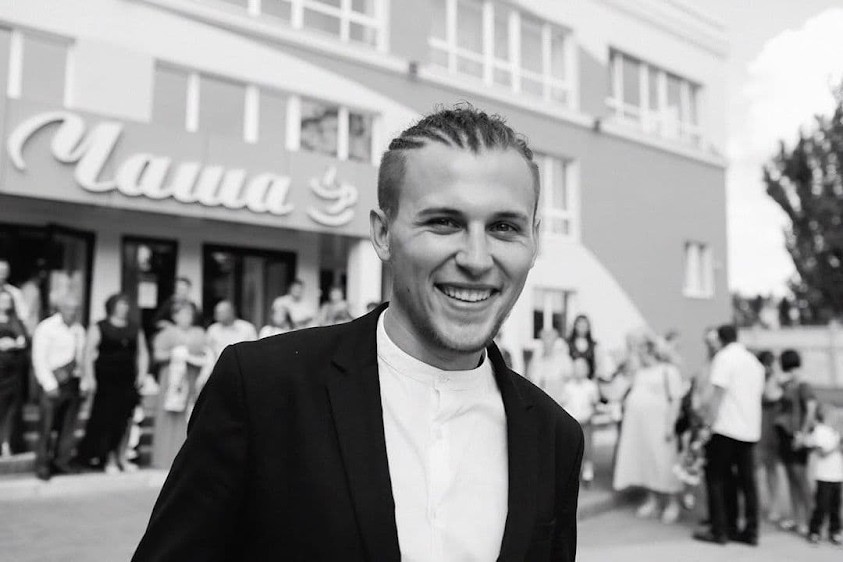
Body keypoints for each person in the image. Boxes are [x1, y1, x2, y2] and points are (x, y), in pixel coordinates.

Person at [133, 106, 584, 561]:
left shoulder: (555, 437)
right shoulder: (263, 387)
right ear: (383, 234)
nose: (476, 258)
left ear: (534, 241)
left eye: (504, 227)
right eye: (444, 222)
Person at [693, 324, 765, 546]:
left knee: (717, 479)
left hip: (725, 428)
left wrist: (707, 425)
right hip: (749, 429)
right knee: (747, 482)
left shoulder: (724, 358)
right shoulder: (753, 361)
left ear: (721, 339)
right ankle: (750, 530)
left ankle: (720, 529)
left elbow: (718, 394)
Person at [613, 330, 684, 524]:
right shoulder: (640, 372)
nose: (641, 354)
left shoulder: (668, 371)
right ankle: (652, 499)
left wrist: (670, 425)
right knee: (647, 461)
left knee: (664, 462)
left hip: (660, 426)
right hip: (640, 427)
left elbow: (676, 399)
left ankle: (672, 503)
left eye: (643, 350)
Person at [76, 294, 149, 473]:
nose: (124, 308)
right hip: (106, 380)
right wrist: (90, 377)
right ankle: (107, 457)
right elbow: (88, 353)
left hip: (127, 379)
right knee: (106, 419)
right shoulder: (100, 326)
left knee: (125, 420)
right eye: (120, 304)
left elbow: (142, 352)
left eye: (126, 304)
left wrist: (142, 374)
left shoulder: (134, 328)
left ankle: (122, 455)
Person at [31, 294, 87, 480]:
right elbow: (39, 358)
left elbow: (81, 359)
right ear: (60, 308)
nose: (72, 312)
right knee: (46, 427)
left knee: (68, 427)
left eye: (75, 309)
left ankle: (62, 461)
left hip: (73, 382)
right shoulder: (47, 327)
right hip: (53, 381)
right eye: (69, 308)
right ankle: (42, 464)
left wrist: (84, 382)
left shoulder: (79, 329)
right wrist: (48, 383)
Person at [150, 301, 210, 469]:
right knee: (169, 414)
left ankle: (189, 457)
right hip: (172, 378)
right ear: (175, 316)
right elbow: (157, 355)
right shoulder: (166, 333)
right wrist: (176, 354)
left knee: (191, 414)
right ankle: (165, 457)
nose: (186, 317)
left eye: (189, 314)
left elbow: (207, 353)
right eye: (183, 313)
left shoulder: (199, 333)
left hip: (193, 377)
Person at [771, 349, 817, 535]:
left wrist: (802, 434)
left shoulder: (803, 383)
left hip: (796, 434)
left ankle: (812, 519)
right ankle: (798, 518)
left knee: (801, 478)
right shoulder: (788, 383)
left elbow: (811, 410)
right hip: (785, 434)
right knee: (791, 477)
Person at [559, 358, 601, 487]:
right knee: (571, 447)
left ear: (586, 370)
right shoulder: (568, 386)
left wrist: (592, 408)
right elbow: (563, 403)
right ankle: (571, 472)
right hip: (572, 421)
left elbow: (595, 403)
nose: (578, 371)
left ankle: (587, 472)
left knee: (587, 447)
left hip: (586, 421)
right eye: (576, 368)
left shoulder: (591, 386)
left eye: (581, 368)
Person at [806, 404, 842, 545]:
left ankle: (835, 531)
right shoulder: (820, 431)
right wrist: (837, 446)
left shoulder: (836, 431)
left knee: (835, 507)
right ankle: (814, 531)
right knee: (821, 505)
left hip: (837, 476)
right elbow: (822, 453)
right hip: (824, 476)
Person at [756, 350, 785, 523]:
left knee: (771, 469)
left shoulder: (777, 380)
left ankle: (774, 506)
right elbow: (767, 395)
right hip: (760, 429)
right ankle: (759, 504)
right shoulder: (759, 378)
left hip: (771, 430)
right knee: (758, 469)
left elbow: (772, 395)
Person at [0, 290, 27, 457]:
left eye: (8, 300)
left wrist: (13, 344)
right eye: (2, 300)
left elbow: (23, 340)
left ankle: (6, 442)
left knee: (11, 408)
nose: (6, 303)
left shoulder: (15, 321)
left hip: (12, 369)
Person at [526, 327, 572, 397]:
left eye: (550, 338)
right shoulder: (535, 359)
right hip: (538, 395)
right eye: (544, 338)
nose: (547, 341)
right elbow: (530, 378)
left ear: (555, 340)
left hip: (558, 396)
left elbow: (569, 380)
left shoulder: (564, 359)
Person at [567, 314, 601, 380]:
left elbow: (598, 366)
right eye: (579, 324)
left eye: (584, 325)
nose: (582, 327)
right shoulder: (567, 344)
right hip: (572, 381)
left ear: (588, 327)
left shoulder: (594, 346)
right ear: (575, 326)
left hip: (589, 381)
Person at [0, 259, 29, 332]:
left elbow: (23, 316)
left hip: (9, 332)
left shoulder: (15, 293)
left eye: (4, 271)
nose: (2, 274)